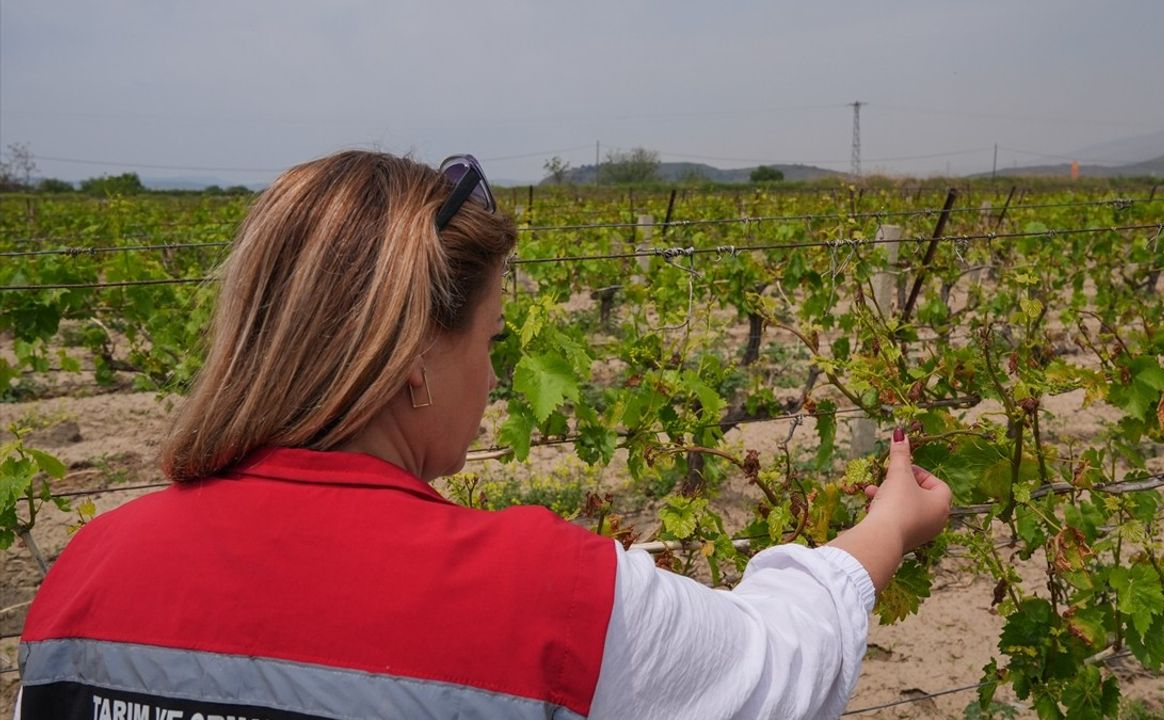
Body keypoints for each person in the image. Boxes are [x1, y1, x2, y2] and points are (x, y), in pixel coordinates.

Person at [17, 150, 951, 720]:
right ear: (417, 357)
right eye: (491, 341)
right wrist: (885, 532)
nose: (497, 377)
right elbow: (778, 670)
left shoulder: (85, 576)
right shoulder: (548, 599)